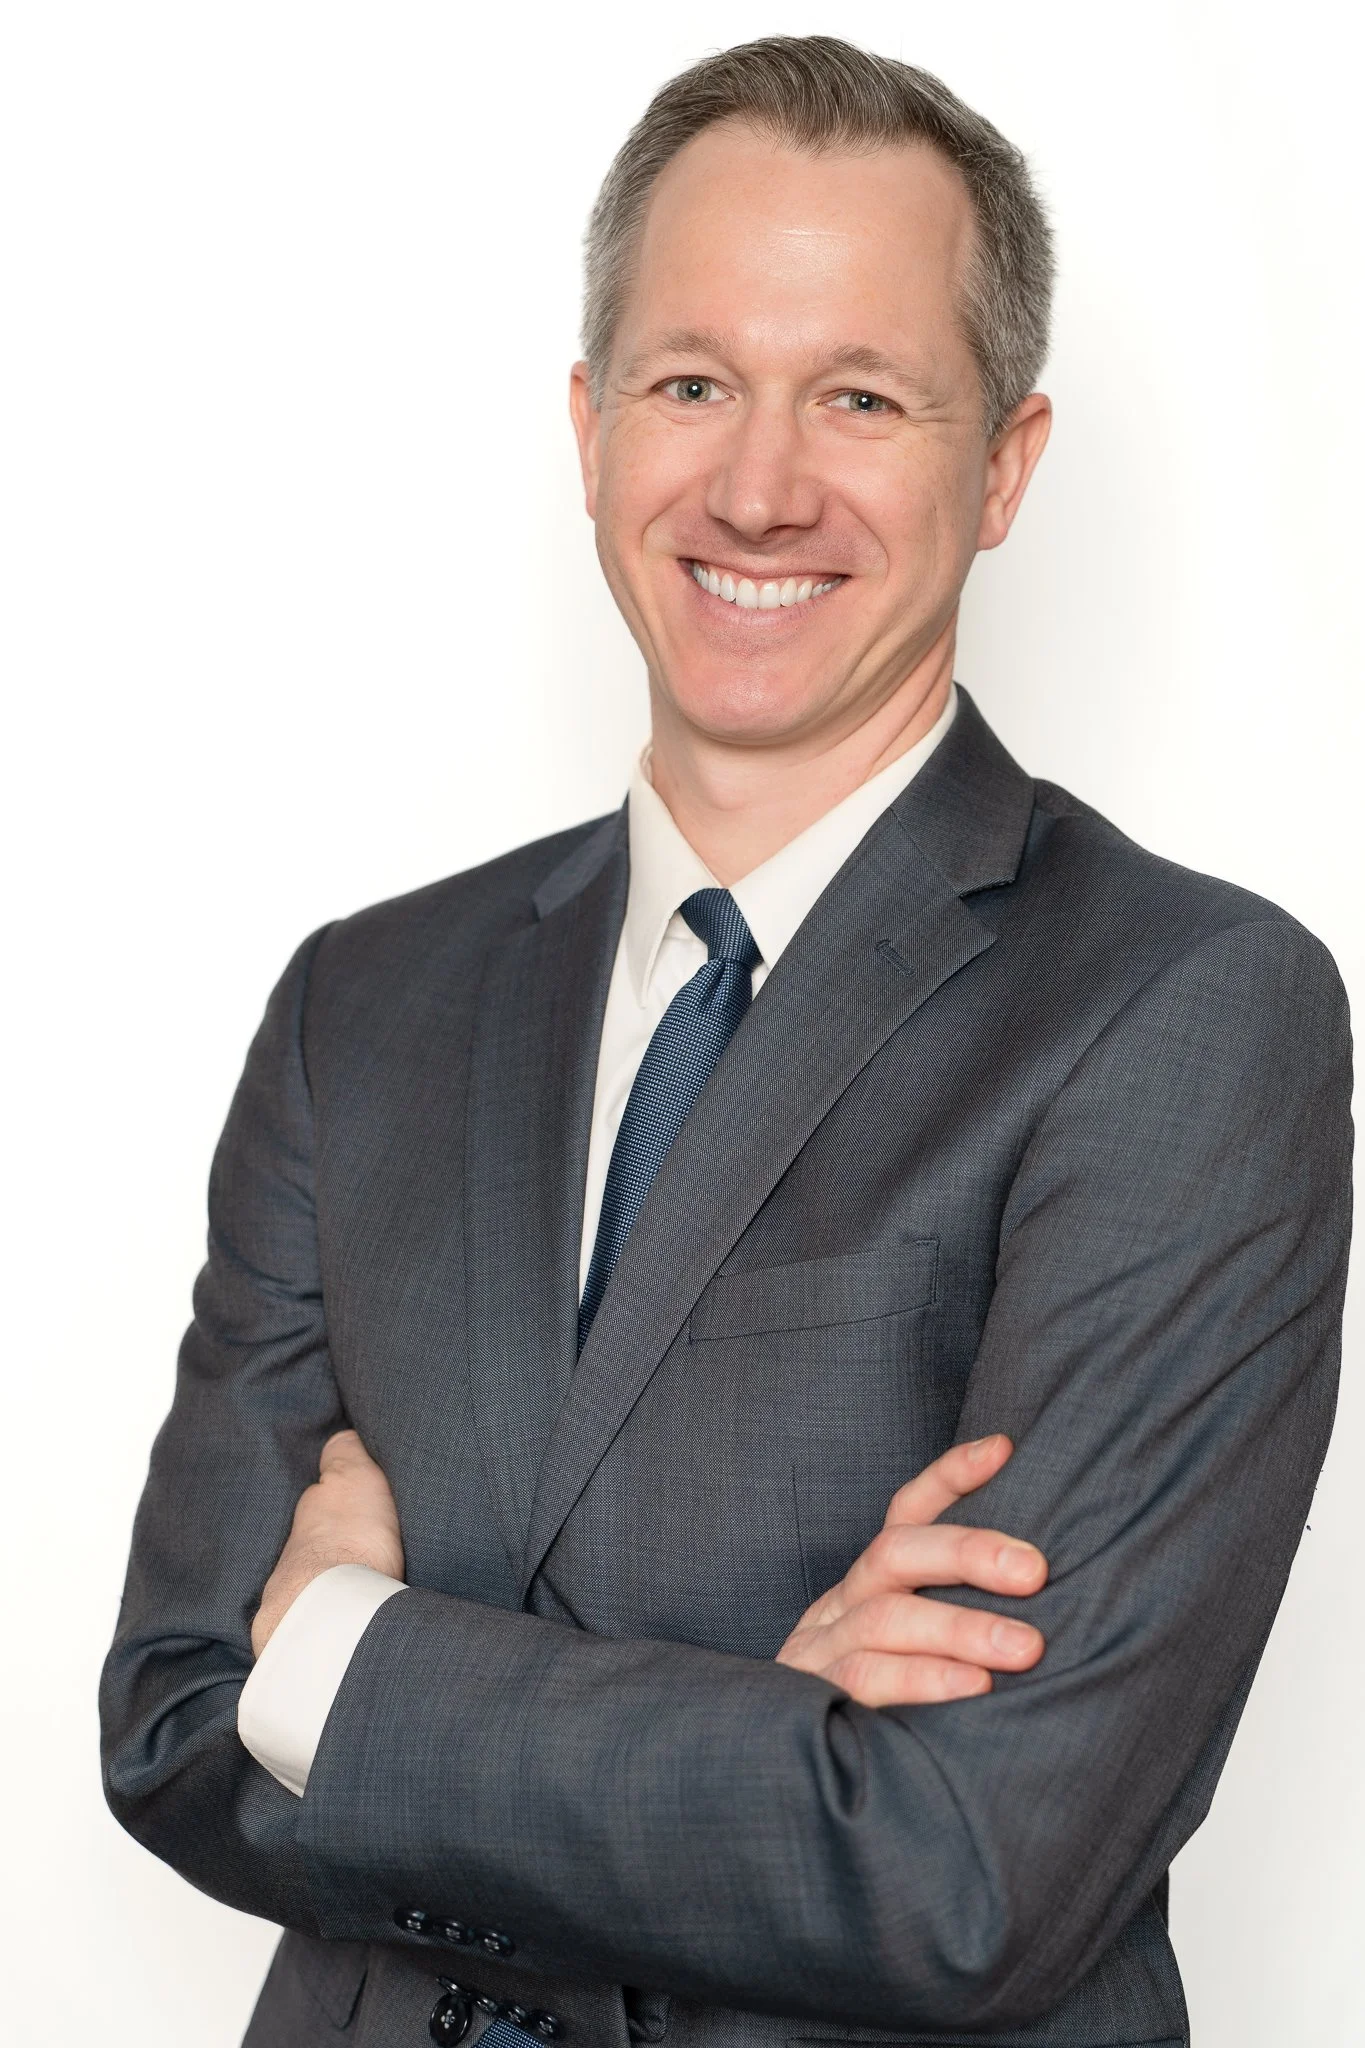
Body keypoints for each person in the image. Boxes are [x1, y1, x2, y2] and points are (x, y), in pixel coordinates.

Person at [100, 35, 1352, 2048]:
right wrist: (769, 1730)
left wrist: (342, 1659)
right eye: (692, 383)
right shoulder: (369, 1003)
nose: (757, 485)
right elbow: (171, 1718)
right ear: (590, 428)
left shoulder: (1180, 1012)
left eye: (858, 396)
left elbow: (971, 1871)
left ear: (1005, 463)